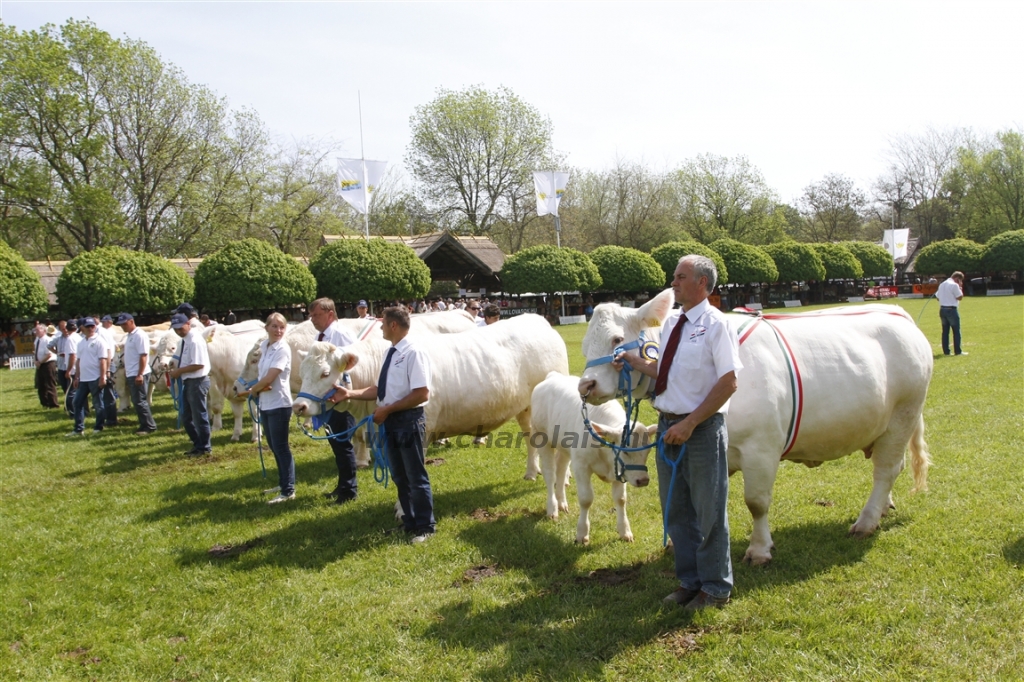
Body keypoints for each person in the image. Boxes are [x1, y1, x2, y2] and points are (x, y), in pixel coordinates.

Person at [613, 255, 742, 611]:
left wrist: (690, 424)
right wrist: (635, 361)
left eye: (681, 277)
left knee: (709, 511)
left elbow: (729, 382)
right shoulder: (672, 323)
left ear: (702, 283)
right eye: (674, 276)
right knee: (677, 511)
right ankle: (690, 581)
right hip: (670, 426)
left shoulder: (717, 324)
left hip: (699, 430)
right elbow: (667, 371)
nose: (674, 282)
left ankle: (716, 587)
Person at [331, 307, 434, 542]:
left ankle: (425, 526)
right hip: (391, 421)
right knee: (399, 473)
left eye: (383, 324)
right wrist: (349, 393)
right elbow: (380, 390)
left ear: (393, 326)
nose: (380, 328)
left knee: (415, 474)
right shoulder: (391, 353)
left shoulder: (413, 352)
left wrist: (387, 409)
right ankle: (410, 521)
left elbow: (421, 393)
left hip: (408, 420)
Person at [238, 313, 296, 504]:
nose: (278, 331)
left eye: (282, 327)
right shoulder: (264, 346)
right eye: (274, 327)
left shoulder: (283, 349)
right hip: (265, 402)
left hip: (279, 403)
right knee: (273, 446)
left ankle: (288, 490)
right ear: (267, 328)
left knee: (281, 447)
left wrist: (253, 390)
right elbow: (261, 373)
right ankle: (283, 483)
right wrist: (257, 390)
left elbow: (270, 377)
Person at [308, 297, 360, 503]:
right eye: (311, 315)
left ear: (330, 314)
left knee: (342, 442)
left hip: (341, 397)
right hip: (327, 397)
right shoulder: (320, 336)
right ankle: (343, 485)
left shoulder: (341, 334)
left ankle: (349, 489)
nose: (313, 319)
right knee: (335, 442)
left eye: (317, 315)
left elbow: (356, 361)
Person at [168, 313, 212, 456]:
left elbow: (199, 364)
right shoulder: (186, 340)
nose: (178, 331)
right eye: (175, 329)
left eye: (180, 328)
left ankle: (204, 447)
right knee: (187, 417)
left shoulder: (194, 340)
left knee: (198, 416)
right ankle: (198, 444)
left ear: (188, 324)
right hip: (190, 381)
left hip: (197, 381)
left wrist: (179, 371)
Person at [115, 313, 157, 435]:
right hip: (132, 372)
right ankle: (144, 424)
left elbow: (143, 355)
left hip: (138, 373)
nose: (123, 326)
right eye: (121, 324)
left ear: (131, 321)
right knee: (137, 401)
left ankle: (149, 426)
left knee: (140, 401)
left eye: (124, 323)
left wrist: (140, 374)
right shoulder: (130, 336)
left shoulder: (139, 335)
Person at [68, 318, 109, 436]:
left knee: (98, 404)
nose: (91, 328)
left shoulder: (100, 341)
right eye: (88, 326)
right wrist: (77, 377)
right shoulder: (81, 342)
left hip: (95, 377)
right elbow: (79, 361)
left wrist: (103, 377)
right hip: (84, 379)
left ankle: (99, 427)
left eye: (93, 326)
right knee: (77, 402)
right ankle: (78, 429)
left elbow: (103, 360)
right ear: (82, 328)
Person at [937, 271, 967, 356]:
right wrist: (960, 288)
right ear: (957, 279)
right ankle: (958, 351)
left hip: (942, 309)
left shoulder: (942, 284)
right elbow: (960, 297)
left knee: (945, 331)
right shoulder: (954, 285)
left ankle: (946, 351)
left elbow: (938, 298)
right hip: (951, 310)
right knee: (956, 331)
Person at [33, 323, 60, 408]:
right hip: (40, 363)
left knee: (49, 384)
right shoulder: (37, 339)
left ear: (44, 331)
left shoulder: (47, 340)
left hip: (48, 363)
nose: (35, 332)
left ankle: (53, 403)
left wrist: (40, 362)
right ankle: (44, 403)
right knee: (41, 384)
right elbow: (35, 351)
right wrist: (35, 361)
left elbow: (49, 354)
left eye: (37, 330)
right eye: (35, 330)